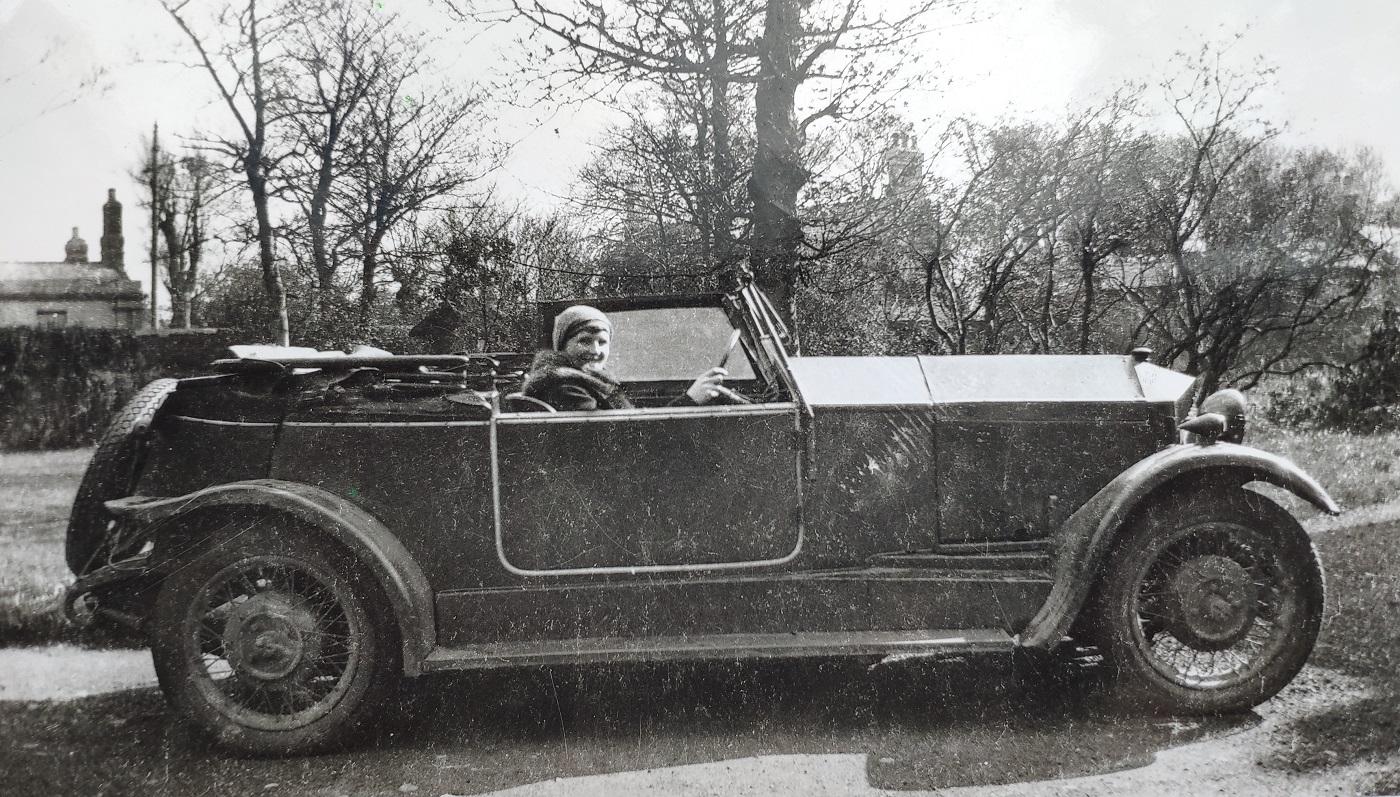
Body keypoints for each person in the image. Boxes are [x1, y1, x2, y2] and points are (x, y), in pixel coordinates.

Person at [521, 304, 729, 411]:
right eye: (585, 341)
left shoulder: (589, 382)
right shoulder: (565, 388)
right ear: (563, 345)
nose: (595, 350)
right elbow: (626, 442)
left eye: (602, 342)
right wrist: (689, 401)